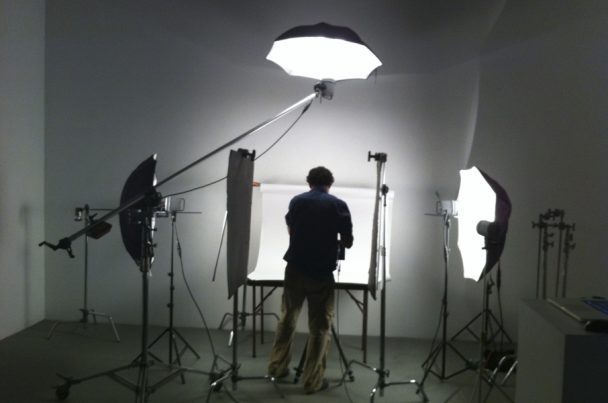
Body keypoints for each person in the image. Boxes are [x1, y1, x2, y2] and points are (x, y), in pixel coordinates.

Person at [267, 166, 353, 394]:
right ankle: (312, 381)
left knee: (287, 318)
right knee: (320, 327)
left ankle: (277, 368)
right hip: (321, 272)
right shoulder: (338, 205)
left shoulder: (297, 201)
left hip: (295, 268)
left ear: (309, 183)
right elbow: (348, 241)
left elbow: (291, 229)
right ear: (330, 184)